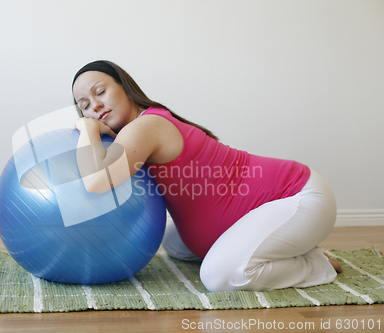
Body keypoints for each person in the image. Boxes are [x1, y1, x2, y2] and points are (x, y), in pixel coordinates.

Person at [71, 60, 343, 292]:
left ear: (126, 89)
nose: (95, 106)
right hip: (274, 203)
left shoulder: (146, 126)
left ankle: (313, 265)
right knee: (174, 243)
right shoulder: (133, 132)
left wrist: (87, 130)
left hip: (299, 195)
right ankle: (289, 247)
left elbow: (96, 181)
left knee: (218, 276)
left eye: (101, 92)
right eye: (84, 104)